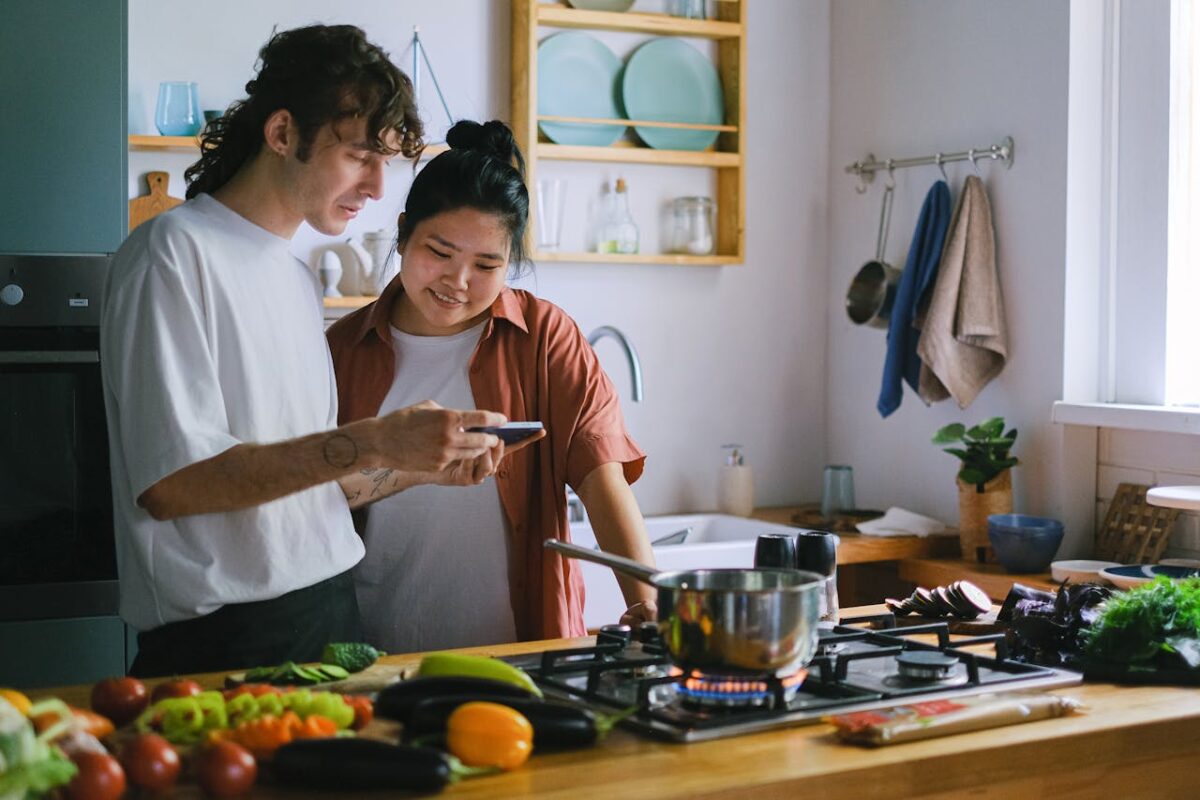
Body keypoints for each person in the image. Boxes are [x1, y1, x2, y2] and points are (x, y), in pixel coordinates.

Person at [101, 26, 512, 677]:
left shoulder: (294, 276)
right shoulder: (171, 254)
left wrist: (422, 463)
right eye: (359, 155)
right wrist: (376, 440)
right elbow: (173, 485)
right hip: (223, 643)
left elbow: (304, 488)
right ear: (283, 133)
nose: (379, 186)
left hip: (330, 615)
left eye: (387, 161)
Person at [326, 119, 657, 651]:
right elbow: (313, 498)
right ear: (405, 230)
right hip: (369, 648)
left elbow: (602, 478)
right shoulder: (342, 350)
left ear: (511, 264)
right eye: (439, 252)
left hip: (519, 652)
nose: (458, 282)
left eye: (486, 264)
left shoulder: (545, 338)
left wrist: (646, 603)